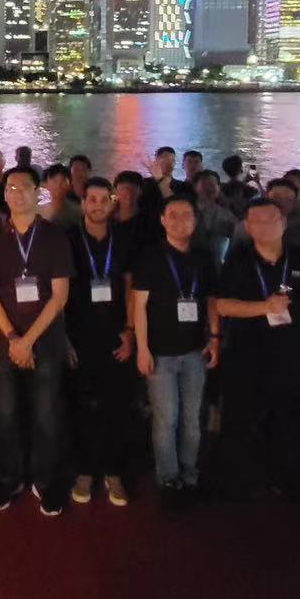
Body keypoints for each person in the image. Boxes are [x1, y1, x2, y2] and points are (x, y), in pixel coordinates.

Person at [212, 197, 300, 503]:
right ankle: (242, 481)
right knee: (241, 420)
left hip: (293, 353)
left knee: (290, 419)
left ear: (284, 222)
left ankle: (288, 479)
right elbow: (222, 305)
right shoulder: (237, 259)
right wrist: (264, 307)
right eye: (257, 221)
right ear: (248, 227)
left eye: (271, 219)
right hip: (246, 354)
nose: (264, 226)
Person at [0, 166, 73, 515]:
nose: (17, 193)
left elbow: (60, 296)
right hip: (5, 341)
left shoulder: (54, 236)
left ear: (38, 192)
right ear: (4, 194)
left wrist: (28, 340)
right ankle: (9, 477)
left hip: (45, 342)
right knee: (7, 413)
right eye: (11, 187)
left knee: (47, 414)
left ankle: (45, 481)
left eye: (25, 187)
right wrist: (14, 338)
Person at [132, 194, 220, 503]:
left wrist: (215, 338)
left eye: (186, 214)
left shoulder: (204, 257)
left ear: (195, 221)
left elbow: (211, 301)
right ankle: (167, 479)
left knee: (192, 419)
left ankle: (190, 474)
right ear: (162, 219)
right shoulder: (150, 256)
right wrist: (141, 348)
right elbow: (138, 306)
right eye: (173, 214)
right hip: (160, 353)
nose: (180, 220)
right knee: (166, 419)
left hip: (196, 350)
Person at [65, 177, 135, 507]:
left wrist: (131, 330)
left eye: (102, 199)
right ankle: (84, 470)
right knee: (81, 403)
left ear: (112, 203)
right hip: (79, 334)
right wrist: (64, 337)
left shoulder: (123, 238)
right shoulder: (69, 239)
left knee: (117, 403)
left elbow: (131, 286)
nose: (96, 204)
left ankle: (114, 470)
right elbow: (59, 291)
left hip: (117, 334)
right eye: (90, 199)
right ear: (83, 204)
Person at [39, 164, 81, 230]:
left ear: (70, 185)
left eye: (63, 181)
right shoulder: (38, 212)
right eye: (55, 181)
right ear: (45, 184)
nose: (59, 185)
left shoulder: (78, 212)